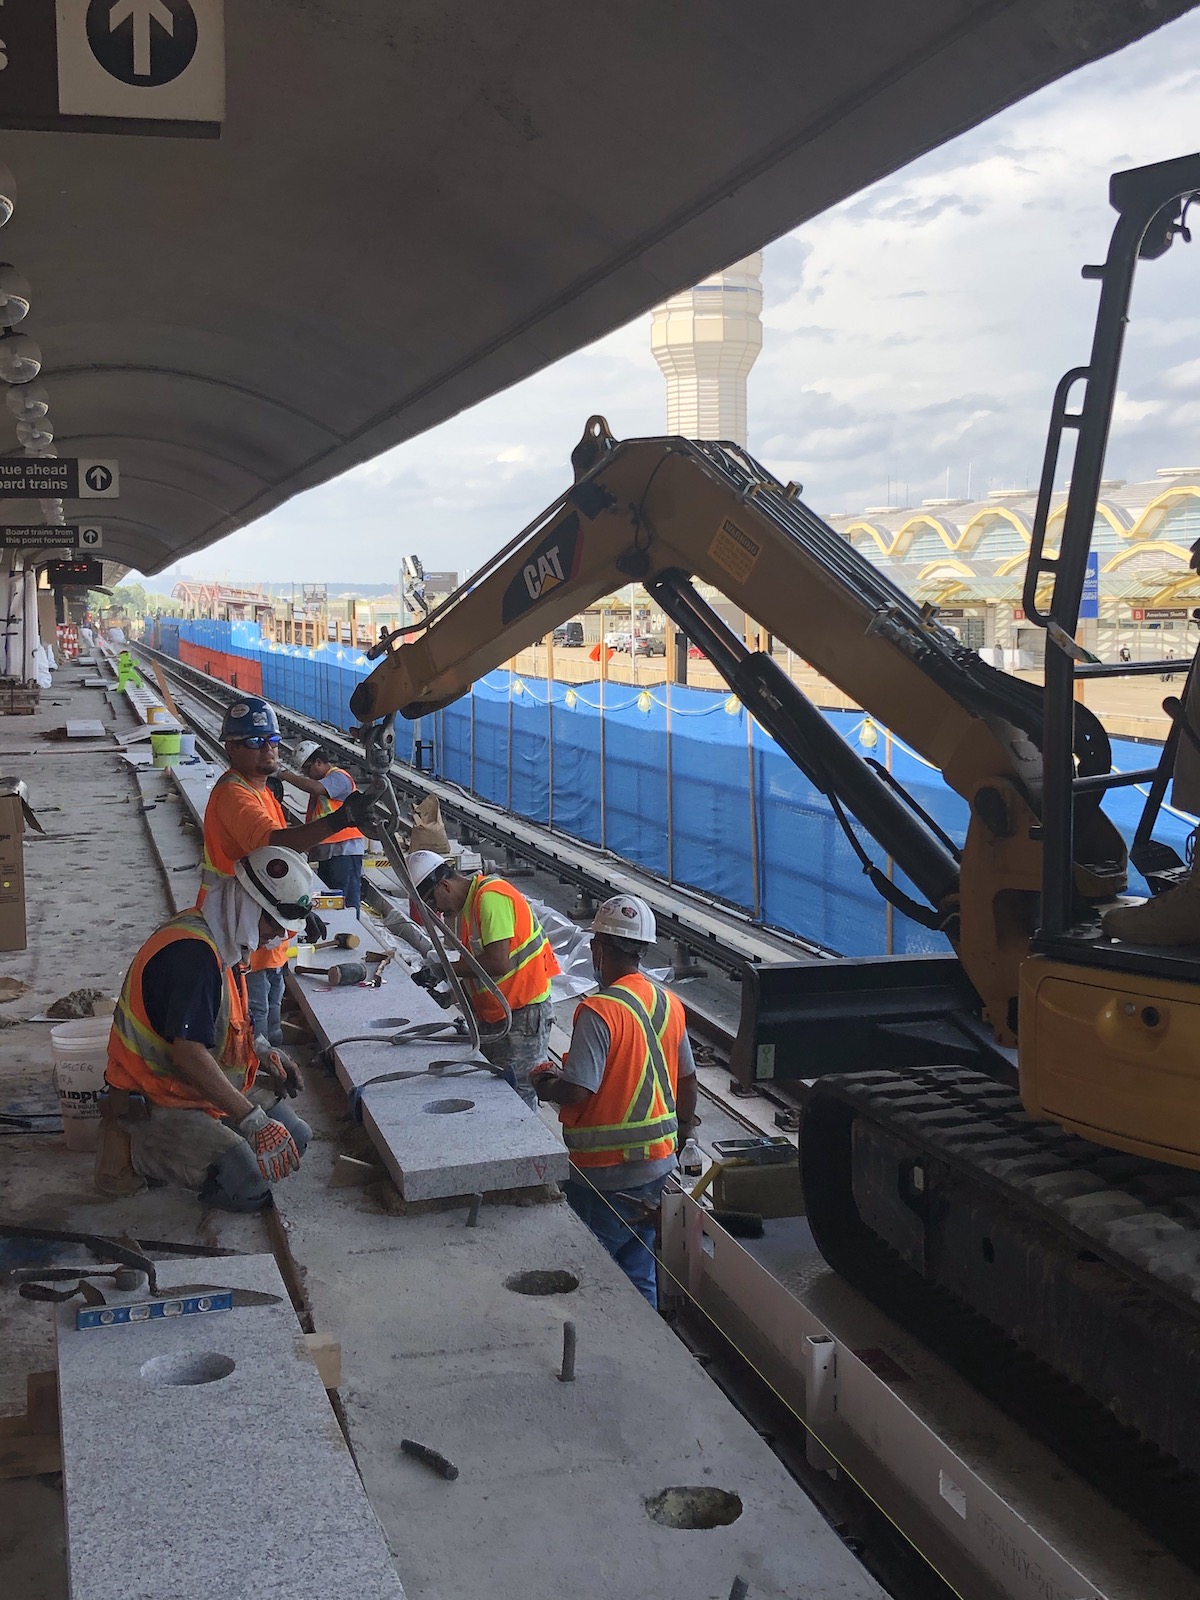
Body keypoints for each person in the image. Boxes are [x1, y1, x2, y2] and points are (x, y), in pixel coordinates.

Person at [97, 846, 319, 1213]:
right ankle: (129, 1147)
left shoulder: (224, 941)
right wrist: (251, 1121)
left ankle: (213, 1138)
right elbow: (189, 1052)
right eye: (274, 925)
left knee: (296, 1138)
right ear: (248, 906)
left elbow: (230, 1020)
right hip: (156, 1099)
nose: (277, 937)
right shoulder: (192, 956)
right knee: (248, 1186)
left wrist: (265, 1053)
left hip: (193, 1092)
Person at [530, 895, 697, 1305]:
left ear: (599, 950)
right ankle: (648, 1346)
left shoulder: (599, 1010)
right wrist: (683, 1136)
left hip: (604, 1171)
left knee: (589, 1271)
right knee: (638, 1263)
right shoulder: (667, 1002)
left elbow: (577, 1091)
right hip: (658, 1165)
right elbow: (688, 1080)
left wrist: (545, 1084)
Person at [201, 696, 377, 1043]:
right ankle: (257, 1083)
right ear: (232, 747)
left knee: (270, 1011)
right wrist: (342, 818)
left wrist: (302, 906)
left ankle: (273, 1070)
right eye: (255, 741)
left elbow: (278, 864)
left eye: (273, 741)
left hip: (265, 930)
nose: (268, 749)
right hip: (240, 930)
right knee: (251, 1024)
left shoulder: (261, 790)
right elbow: (276, 843)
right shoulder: (235, 795)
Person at [407, 850, 560, 1107]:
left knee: (517, 1096)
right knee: (496, 1092)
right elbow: (476, 970)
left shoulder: (491, 897)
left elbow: (498, 963)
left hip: (522, 1016)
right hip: (495, 1017)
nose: (436, 910)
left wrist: (443, 969)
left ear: (444, 885)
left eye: (432, 902)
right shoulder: (464, 911)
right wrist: (450, 996)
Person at [280, 740, 366, 911]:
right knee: (331, 901)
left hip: (344, 850)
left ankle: (351, 934)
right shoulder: (324, 782)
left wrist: (284, 775)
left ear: (319, 762)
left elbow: (317, 788)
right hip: (328, 852)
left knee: (344, 901)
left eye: (307, 768)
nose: (306, 774)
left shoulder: (339, 777)